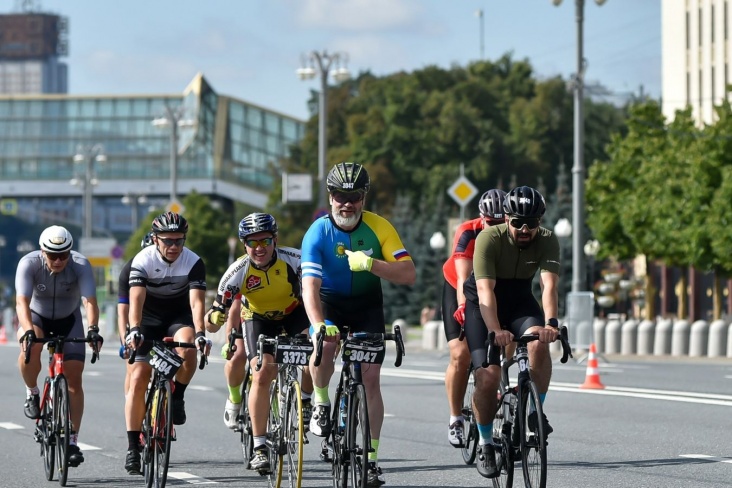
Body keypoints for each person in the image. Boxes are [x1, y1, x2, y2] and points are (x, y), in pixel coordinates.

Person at [301, 162, 416, 487]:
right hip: (329, 303)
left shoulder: (379, 227)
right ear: (331, 196)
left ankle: (371, 459)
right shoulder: (318, 232)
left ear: (363, 197)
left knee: (370, 380)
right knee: (324, 344)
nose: (346, 202)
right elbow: (309, 286)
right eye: (340, 195)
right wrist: (318, 323)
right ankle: (322, 400)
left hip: (367, 306)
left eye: (354, 195)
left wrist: (372, 264)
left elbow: (409, 274)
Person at [462, 186, 560, 478]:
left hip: (519, 300)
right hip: (482, 305)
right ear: (506, 218)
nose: (525, 229)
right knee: (489, 376)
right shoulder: (488, 239)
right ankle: (485, 442)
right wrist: (495, 330)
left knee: (538, 345)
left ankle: (534, 412)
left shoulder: (547, 240)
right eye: (518, 222)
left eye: (532, 223)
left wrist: (551, 324)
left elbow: (549, 285)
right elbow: (484, 291)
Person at [204, 212, 314, 474]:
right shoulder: (237, 272)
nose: (259, 248)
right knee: (262, 371)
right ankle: (260, 447)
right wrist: (215, 317)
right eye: (252, 243)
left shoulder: (295, 259)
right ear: (244, 245)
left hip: (293, 311)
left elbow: (318, 289)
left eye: (265, 241)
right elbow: (209, 325)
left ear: (275, 240)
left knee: (315, 351)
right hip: (257, 317)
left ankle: (307, 403)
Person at [123, 212, 210, 475]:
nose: (174, 247)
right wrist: (135, 330)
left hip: (177, 316)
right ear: (154, 239)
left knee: (187, 347)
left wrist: (201, 332)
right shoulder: (143, 259)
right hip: (148, 319)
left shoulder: (193, 261)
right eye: (168, 241)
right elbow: (135, 301)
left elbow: (196, 303)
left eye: (179, 241)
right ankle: (132, 447)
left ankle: (178, 396)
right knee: (138, 377)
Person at [15, 225, 103, 468]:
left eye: (63, 255)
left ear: (70, 252)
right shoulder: (28, 263)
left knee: (74, 379)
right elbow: (22, 301)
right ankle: (32, 392)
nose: (58, 260)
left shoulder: (80, 264)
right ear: (42, 252)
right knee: (30, 350)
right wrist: (29, 331)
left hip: (69, 320)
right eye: (52, 255)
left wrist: (94, 329)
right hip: (36, 317)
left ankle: (72, 440)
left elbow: (89, 301)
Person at [441, 189, 506, 448]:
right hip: (461, 286)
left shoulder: (512, 232)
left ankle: (505, 384)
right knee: (460, 353)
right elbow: (461, 276)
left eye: (502, 223)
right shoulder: (469, 231)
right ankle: (455, 417)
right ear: (482, 218)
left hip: (495, 287)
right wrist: (461, 307)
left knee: (507, 333)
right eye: (492, 223)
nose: (497, 228)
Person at [117, 231, 155, 395]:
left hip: (162, 317)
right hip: (137, 319)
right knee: (133, 370)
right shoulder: (130, 269)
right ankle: (130, 404)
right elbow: (123, 311)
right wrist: (124, 340)